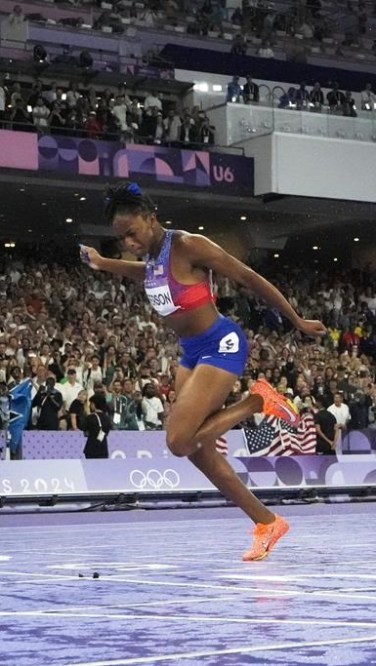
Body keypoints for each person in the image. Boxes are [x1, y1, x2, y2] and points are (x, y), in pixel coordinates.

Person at [80, 181, 326, 561]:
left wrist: (296, 320)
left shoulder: (188, 245)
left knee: (179, 442)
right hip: (191, 353)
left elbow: (249, 278)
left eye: (132, 233)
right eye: (121, 238)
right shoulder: (151, 257)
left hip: (221, 344)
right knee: (198, 451)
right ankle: (267, 523)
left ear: (150, 218)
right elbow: (142, 273)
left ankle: (257, 401)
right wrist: (102, 262)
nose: (128, 242)